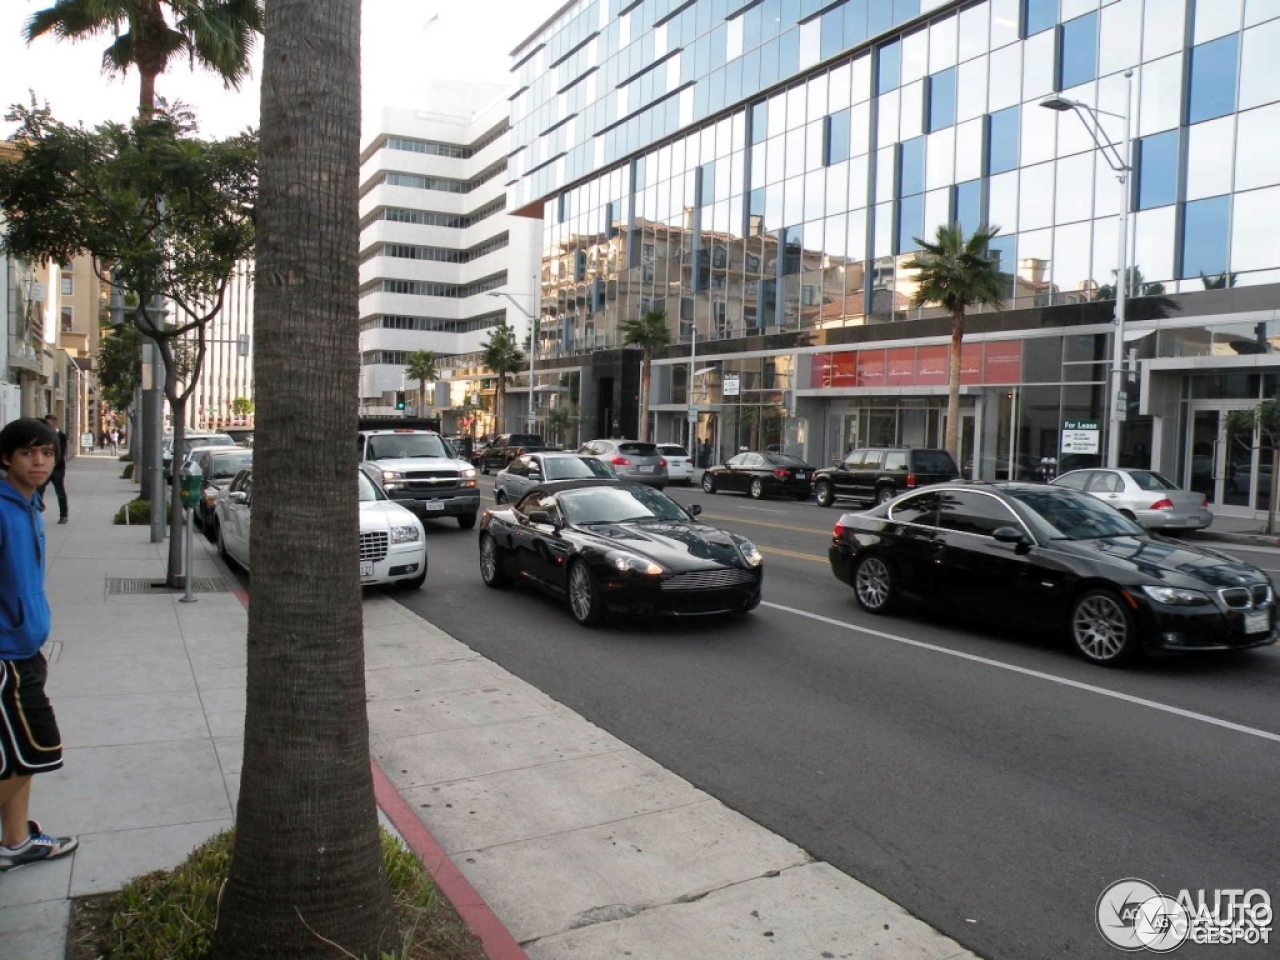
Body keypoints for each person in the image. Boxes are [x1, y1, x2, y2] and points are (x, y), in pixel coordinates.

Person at [0, 417, 78, 871]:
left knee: (18, 758)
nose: (40, 461)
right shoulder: (3, 508)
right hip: (5, 657)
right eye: (29, 453)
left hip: (25, 649)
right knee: (42, 748)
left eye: (47, 453)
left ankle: (14, 841)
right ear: (7, 457)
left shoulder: (29, 505)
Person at [36, 415, 69, 524]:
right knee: (39, 490)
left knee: (60, 491)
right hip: (45, 468)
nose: (48, 427)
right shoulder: (42, 436)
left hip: (57, 468)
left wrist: (53, 463)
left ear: (55, 424)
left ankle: (64, 515)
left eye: (50, 424)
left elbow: (61, 452)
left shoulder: (61, 436)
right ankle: (36, 511)